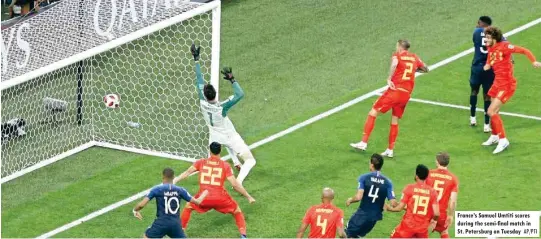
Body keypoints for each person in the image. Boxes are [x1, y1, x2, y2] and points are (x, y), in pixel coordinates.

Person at [350, 40, 429, 158]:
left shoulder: (397, 55)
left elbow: (394, 64)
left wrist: (389, 78)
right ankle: (390, 150)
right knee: (394, 119)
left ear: (400, 47)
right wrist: (414, 69)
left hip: (395, 91)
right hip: (406, 94)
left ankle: (363, 142)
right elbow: (426, 69)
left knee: (373, 111)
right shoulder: (414, 57)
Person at [191, 44, 256, 185]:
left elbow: (199, 80)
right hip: (229, 136)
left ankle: (213, 178)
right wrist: (232, 79)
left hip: (214, 137)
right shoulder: (222, 107)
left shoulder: (202, 101)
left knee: (210, 165)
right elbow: (240, 94)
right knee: (251, 160)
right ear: (215, 94)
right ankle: (237, 182)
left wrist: (196, 59)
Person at [173, 142, 255, 238]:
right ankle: (243, 236)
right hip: (220, 198)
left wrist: (175, 180)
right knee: (236, 211)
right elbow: (235, 185)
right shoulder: (225, 165)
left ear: (209, 150)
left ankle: (180, 233)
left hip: (203, 198)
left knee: (189, 206)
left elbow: (187, 172)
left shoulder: (201, 162)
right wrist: (248, 196)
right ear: (220, 150)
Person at [481, 26, 541, 154]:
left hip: (507, 84)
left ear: (495, 38)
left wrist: (533, 61)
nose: (486, 39)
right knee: (493, 110)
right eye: (485, 37)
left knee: (491, 111)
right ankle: (495, 135)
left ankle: (503, 140)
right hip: (497, 83)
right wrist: (488, 64)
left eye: (488, 37)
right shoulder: (490, 47)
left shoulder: (505, 46)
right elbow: (490, 57)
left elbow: (524, 50)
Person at [132, 168, 208, 239]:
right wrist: (205, 193)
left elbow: (141, 205)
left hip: (161, 223)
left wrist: (135, 211)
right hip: (175, 225)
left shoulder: (157, 189)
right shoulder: (181, 190)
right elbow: (198, 202)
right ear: (174, 177)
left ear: (163, 177)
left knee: (146, 237)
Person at [345, 153, 396, 238]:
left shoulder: (364, 177)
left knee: (345, 235)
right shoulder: (388, 182)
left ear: (372, 164)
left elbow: (358, 197)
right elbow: (393, 203)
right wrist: (405, 206)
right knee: (356, 236)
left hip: (361, 215)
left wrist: (350, 200)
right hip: (374, 219)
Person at [387, 164, 439, 238]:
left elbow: (399, 208)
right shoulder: (433, 192)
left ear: (417, 176)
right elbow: (436, 213)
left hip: (407, 227)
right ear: (426, 177)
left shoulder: (409, 188)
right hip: (422, 229)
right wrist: (434, 221)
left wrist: (389, 208)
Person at [469, 16, 495, 132]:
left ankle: (472, 118)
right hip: (489, 67)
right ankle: (486, 125)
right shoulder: (493, 33)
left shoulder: (476, 31)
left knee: (474, 91)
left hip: (476, 67)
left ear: (480, 23)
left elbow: (476, 42)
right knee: (487, 95)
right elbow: (504, 42)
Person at [426, 152, 458, 239]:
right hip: (441, 213)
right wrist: (451, 215)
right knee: (444, 231)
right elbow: (453, 200)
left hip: (427, 211)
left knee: (421, 232)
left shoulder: (429, 174)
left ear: (437, 162)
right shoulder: (453, 178)